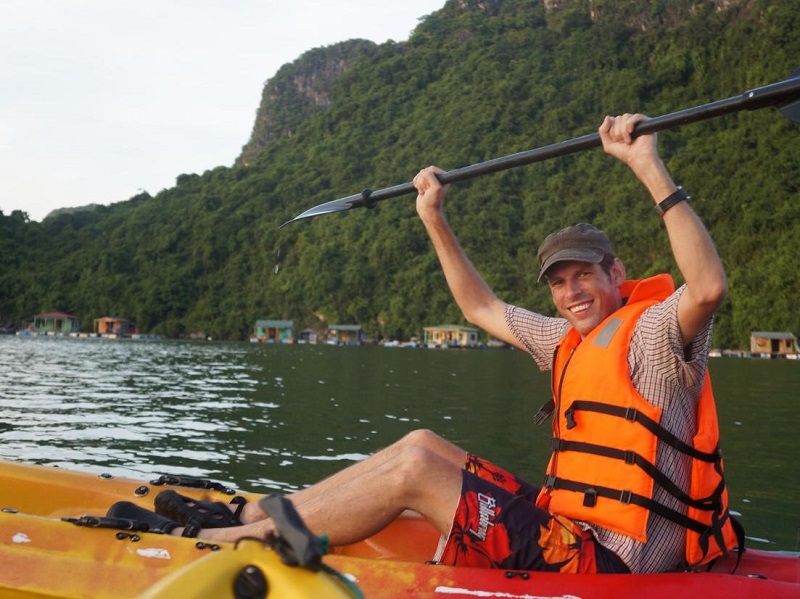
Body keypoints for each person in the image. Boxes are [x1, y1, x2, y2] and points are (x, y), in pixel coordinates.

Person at [109, 113, 741, 574]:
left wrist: (645, 163)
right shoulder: (565, 340)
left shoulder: (657, 334)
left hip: (614, 562)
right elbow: (480, 306)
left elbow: (708, 286)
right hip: (569, 525)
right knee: (420, 444)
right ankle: (249, 515)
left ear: (615, 273)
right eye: (559, 281)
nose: (571, 291)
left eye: (584, 275)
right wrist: (433, 216)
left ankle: (220, 544)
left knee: (414, 473)